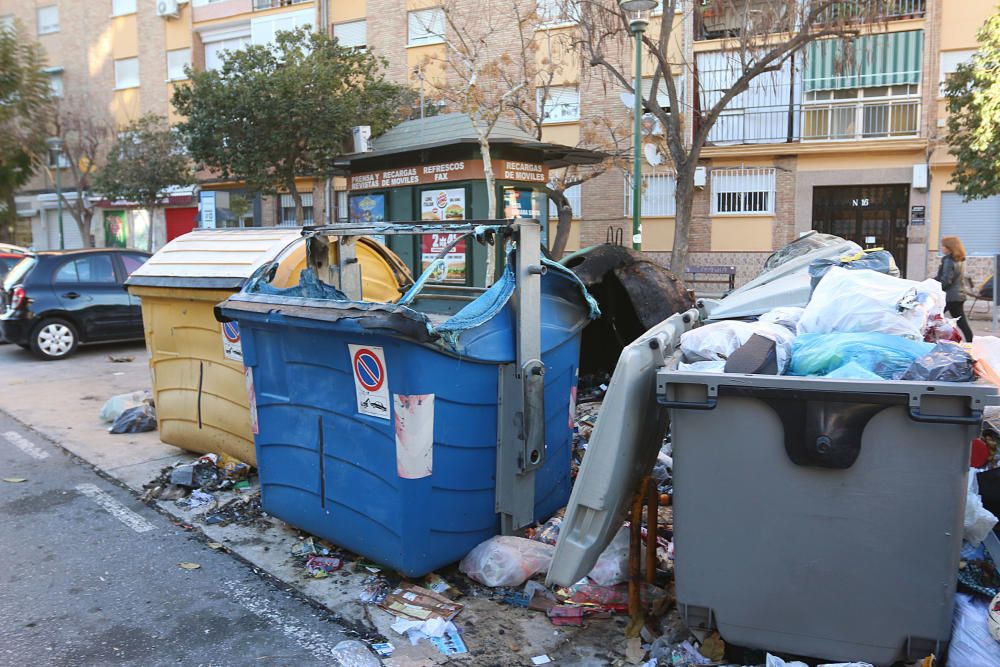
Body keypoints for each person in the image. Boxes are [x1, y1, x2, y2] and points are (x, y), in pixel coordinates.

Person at [936, 236, 973, 341]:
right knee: (962, 323)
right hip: (959, 296)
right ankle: (970, 342)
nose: (942, 248)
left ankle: (931, 343)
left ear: (949, 247)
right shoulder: (960, 259)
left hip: (949, 297)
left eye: (943, 246)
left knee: (932, 319)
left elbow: (946, 280)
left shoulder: (948, 260)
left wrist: (936, 289)